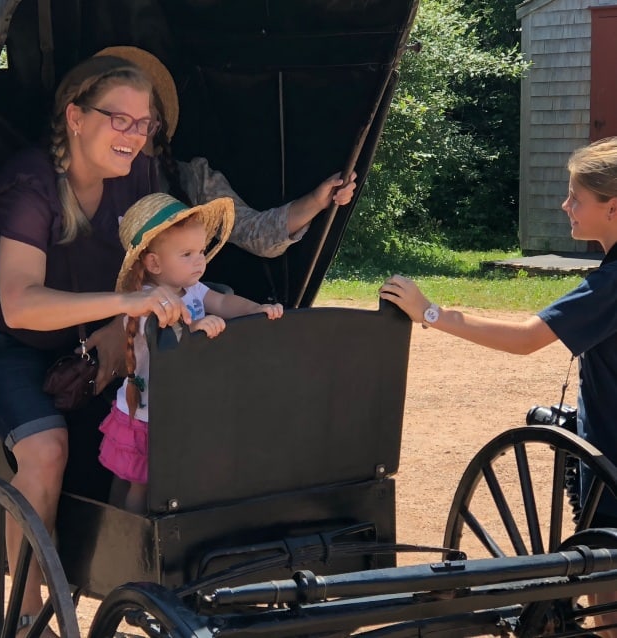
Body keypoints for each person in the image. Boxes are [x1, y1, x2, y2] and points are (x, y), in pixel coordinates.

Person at [0, 55, 191, 636]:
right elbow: (20, 302)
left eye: (144, 123)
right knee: (45, 448)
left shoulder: (142, 176)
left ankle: (146, 575)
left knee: (162, 415)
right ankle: (25, 616)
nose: (133, 134)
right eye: (118, 119)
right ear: (76, 117)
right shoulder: (29, 185)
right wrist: (122, 309)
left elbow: (159, 265)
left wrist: (117, 330)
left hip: (80, 335)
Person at [379, 135, 617, 637]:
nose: (565, 205)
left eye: (576, 196)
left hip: (612, 459)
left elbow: (527, 338)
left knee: (604, 592)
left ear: (612, 208)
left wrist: (430, 312)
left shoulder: (609, 286)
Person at [99, 192, 284, 513]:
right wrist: (194, 327)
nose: (199, 260)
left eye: (200, 251)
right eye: (187, 254)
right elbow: (162, 334)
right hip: (150, 412)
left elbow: (224, 302)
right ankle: (136, 541)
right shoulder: (142, 302)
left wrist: (257, 308)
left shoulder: (193, 289)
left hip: (187, 407)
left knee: (183, 478)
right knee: (142, 484)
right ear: (154, 262)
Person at [95, 45, 359, 258]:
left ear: (156, 121)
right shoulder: (85, 174)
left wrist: (318, 200)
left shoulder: (193, 178)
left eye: (139, 114)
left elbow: (256, 234)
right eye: (118, 115)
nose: (129, 127)